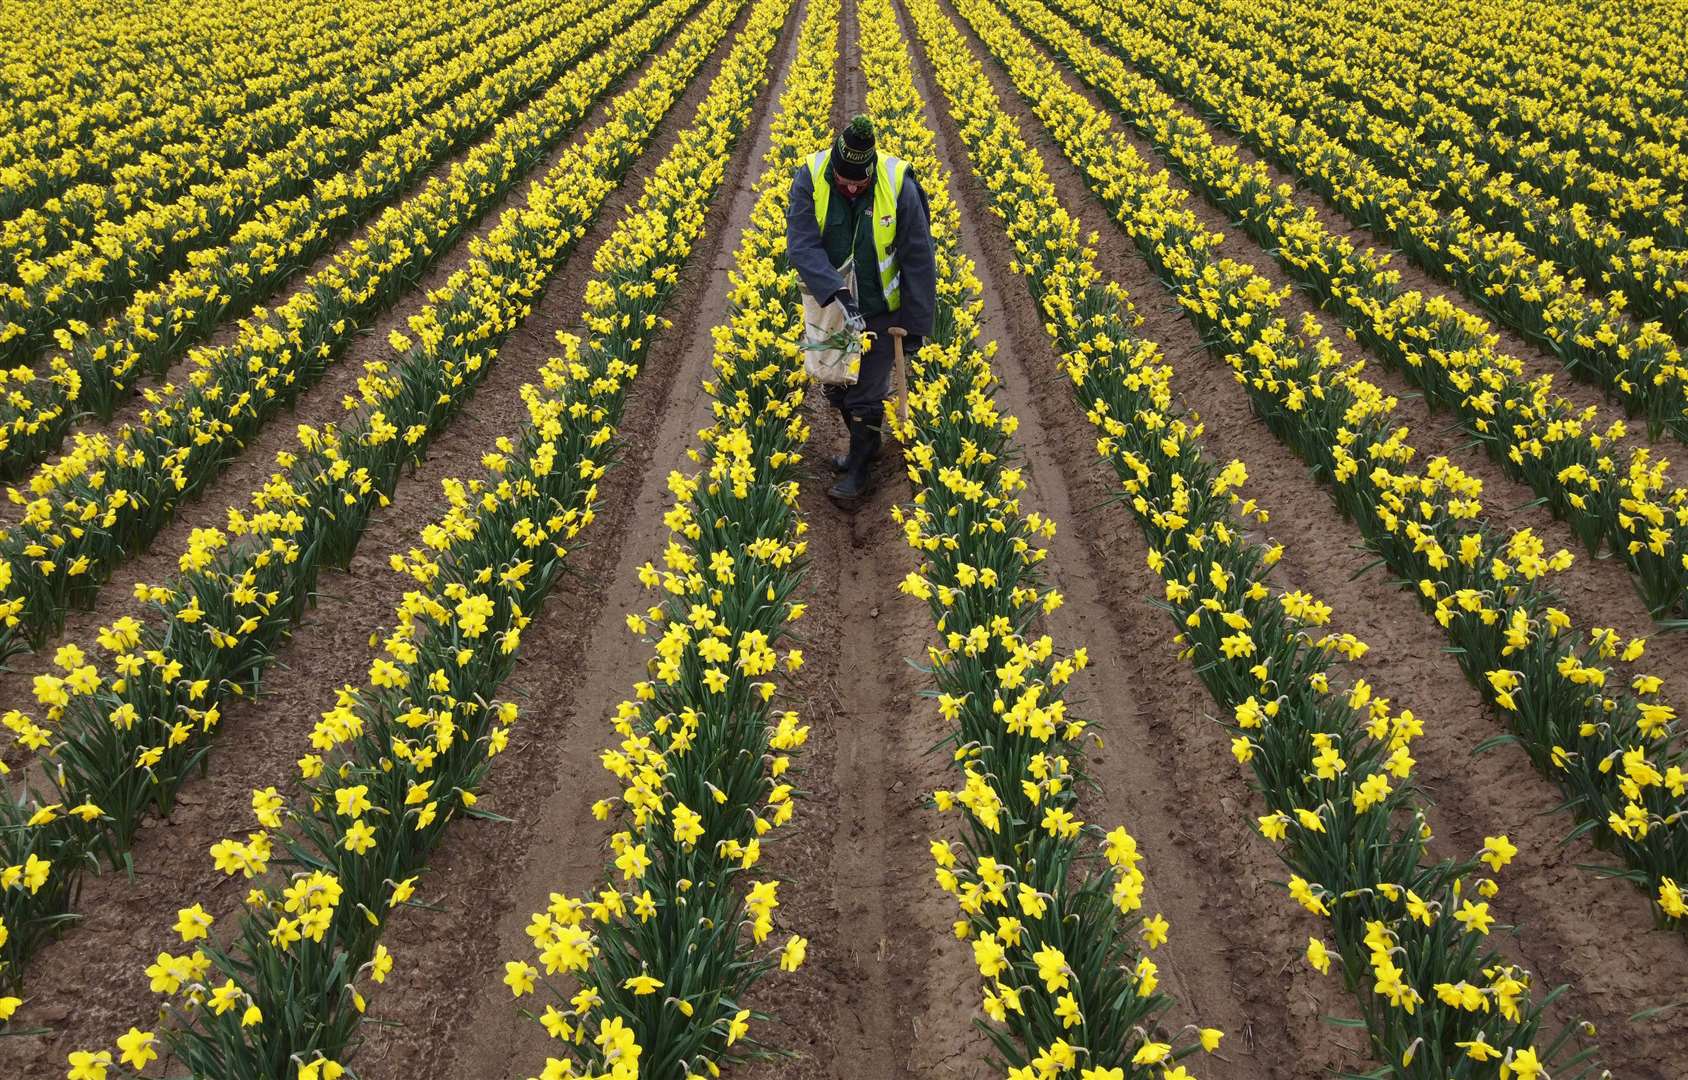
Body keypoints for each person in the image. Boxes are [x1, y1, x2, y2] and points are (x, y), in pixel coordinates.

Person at [785, 113, 936, 503]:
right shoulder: (811, 177)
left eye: (860, 181)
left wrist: (916, 323)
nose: (851, 187)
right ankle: (865, 444)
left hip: (882, 308)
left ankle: (859, 466)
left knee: (865, 395)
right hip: (832, 305)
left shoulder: (899, 184)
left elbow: (918, 256)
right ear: (833, 168)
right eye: (844, 180)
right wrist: (837, 291)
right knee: (834, 385)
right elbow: (801, 244)